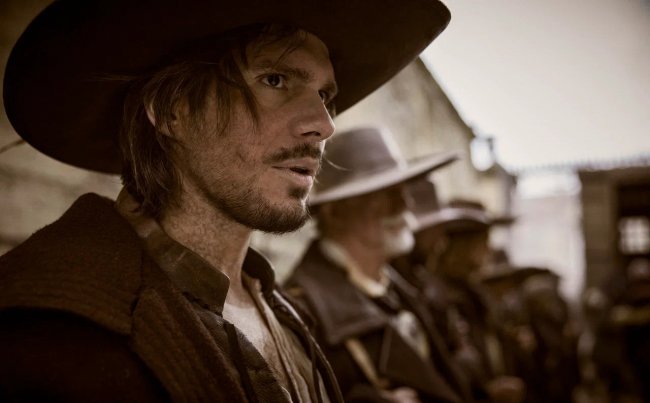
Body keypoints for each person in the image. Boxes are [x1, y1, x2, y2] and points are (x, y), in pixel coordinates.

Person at [0, 0, 452, 401]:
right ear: (172, 110)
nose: (323, 124)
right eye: (275, 79)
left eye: (324, 95)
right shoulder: (47, 338)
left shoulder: (280, 310)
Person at [284, 126, 472, 402]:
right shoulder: (302, 311)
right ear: (335, 213)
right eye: (384, 193)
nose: (404, 204)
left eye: (402, 190)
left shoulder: (400, 290)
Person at [393, 182, 525, 403]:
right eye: (483, 241)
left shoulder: (473, 296)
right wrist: (484, 394)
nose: (489, 248)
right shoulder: (436, 295)